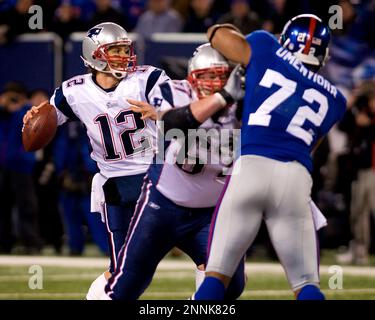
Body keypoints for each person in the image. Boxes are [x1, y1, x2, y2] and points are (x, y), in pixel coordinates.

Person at [154, 14, 347, 300]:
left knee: (216, 276)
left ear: (286, 41)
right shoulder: (335, 98)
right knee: (306, 284)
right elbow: (309, 147)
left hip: (251, 169)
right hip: (294, 176)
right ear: (323, 54)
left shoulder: (266, 47)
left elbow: (216, 33)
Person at [23, 22, 170, 299]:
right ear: (95, 54)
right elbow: (47, 117)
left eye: (125, 49)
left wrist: (162, 112)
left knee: (200, 255)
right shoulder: (74, 91)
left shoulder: (147, 79)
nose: (124, 56)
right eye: (115, 49)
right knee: (125, 270)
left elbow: (180, 113)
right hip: (116, 184)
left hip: (159, 176)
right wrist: (33, 117)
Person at [102, 43, 246, 300]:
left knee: (231, 286)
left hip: (212, 212)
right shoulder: (174, 91)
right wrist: (221, 98)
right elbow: (170, 123)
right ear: (192, 78)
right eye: (208, 76)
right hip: (163, 204)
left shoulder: (245, 104)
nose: (215, 83)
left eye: (221, 76)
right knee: (126, 285)